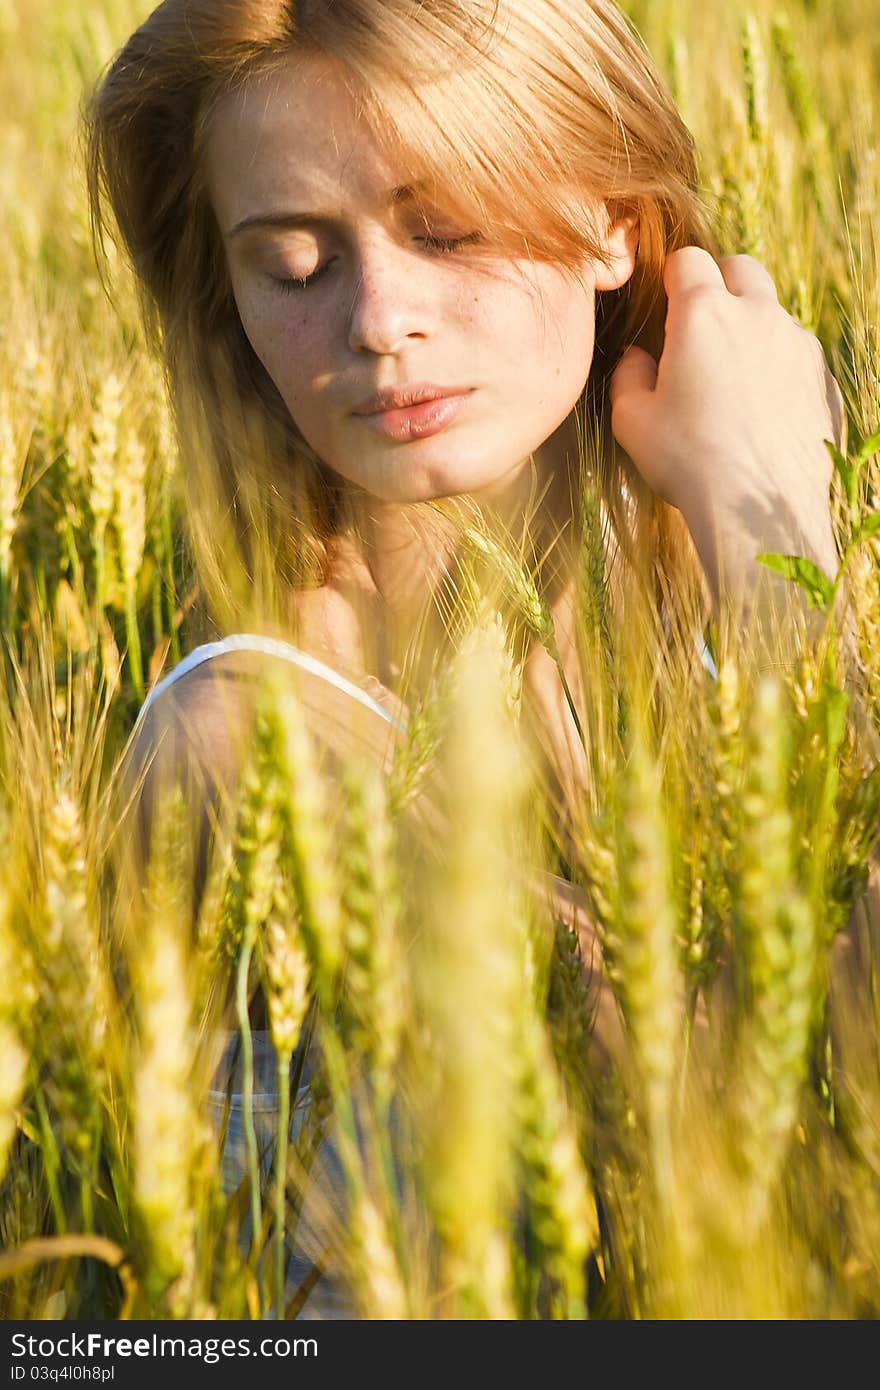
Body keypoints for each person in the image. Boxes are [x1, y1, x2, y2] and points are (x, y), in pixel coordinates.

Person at [87, 0, 852, 1317]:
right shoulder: (245, 744)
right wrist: (780, 554)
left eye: (448, 228)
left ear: (616, 216)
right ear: (229, 294)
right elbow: (690, 1160)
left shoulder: (676, 598)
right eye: (293, 262)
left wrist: (767, 535)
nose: (381, 318)